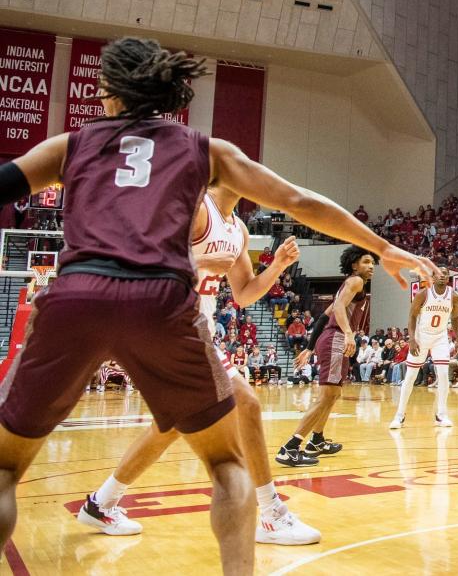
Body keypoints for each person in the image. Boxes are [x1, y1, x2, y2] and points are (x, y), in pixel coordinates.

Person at [0, 37, 435, 574]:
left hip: (78, 295)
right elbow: (301, 201)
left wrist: (274, 266)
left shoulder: (71, 144)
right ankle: (231, 519)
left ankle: (107, 500)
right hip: (161, 304)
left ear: (110, 91)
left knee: (5, 469)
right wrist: (383, 245)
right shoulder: (206, 151)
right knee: (227, 462)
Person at [80, 189, 320, 545]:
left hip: (196, 330)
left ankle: (101, 504)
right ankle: (271, 515)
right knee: (248, 405)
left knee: (171, 427)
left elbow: (244, 294)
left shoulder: (238, 229)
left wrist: (278, 267)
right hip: (172, 327)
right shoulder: (196, 211)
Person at [278, 246, 430, 465]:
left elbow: (324, 316)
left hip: (332, 338)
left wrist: (310, 347)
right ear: (354, 265)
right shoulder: (355, 281)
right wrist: (348, 333)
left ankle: (317, 440)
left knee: (332, 396)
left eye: (372, 263)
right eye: (366, 262)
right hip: (336, 339)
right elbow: (338, 307)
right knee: (325, 397)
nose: (371, 267)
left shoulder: (349, 286)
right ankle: (290, 447)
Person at [391, 268, 458, 427]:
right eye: (439, 273)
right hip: (421, 336)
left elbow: (455, 318)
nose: (442, 276)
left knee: (443, 375)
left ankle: (441, 414)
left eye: (445, 274)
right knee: (410, 376)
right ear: (432, 277)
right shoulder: (423, 293)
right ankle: (399, 415)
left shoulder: (454, 297)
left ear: (448, 278)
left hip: (440, 337)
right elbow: (412, 316)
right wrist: (412, 339)